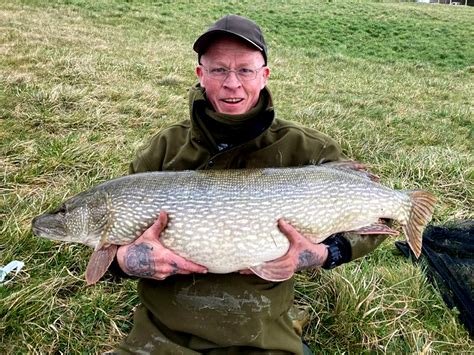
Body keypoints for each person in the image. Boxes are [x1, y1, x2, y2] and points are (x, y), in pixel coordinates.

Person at [113, 14, 386, 354]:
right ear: (201, 75)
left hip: (264, 332)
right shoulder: (165, 148)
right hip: (165, 334)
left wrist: (323, 253)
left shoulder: (308, 149)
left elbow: (379, 212)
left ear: (264, 76)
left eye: (245, 70)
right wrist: (125, 260)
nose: (232, 83)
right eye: (218, 70)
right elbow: (113, 238)